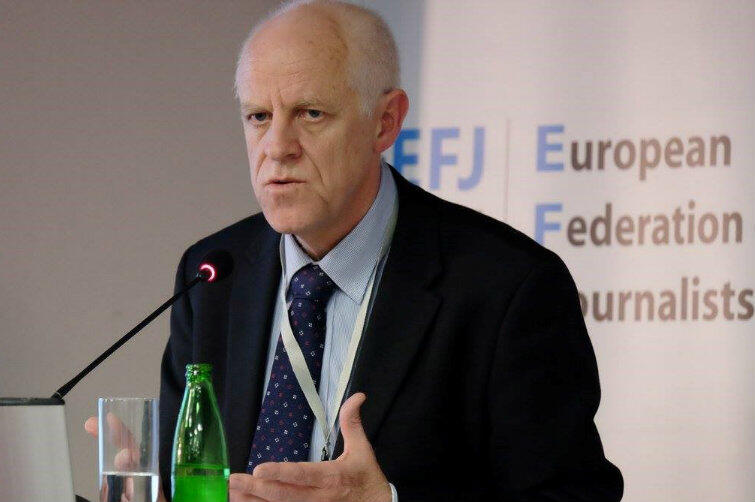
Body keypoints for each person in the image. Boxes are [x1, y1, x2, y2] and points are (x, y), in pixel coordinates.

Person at [89, 1, 623, 500]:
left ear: (385, 122)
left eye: (311, 113)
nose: (277, 147)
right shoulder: (213, 275)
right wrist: (155, 494)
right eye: (258, 117)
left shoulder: (506, 287)